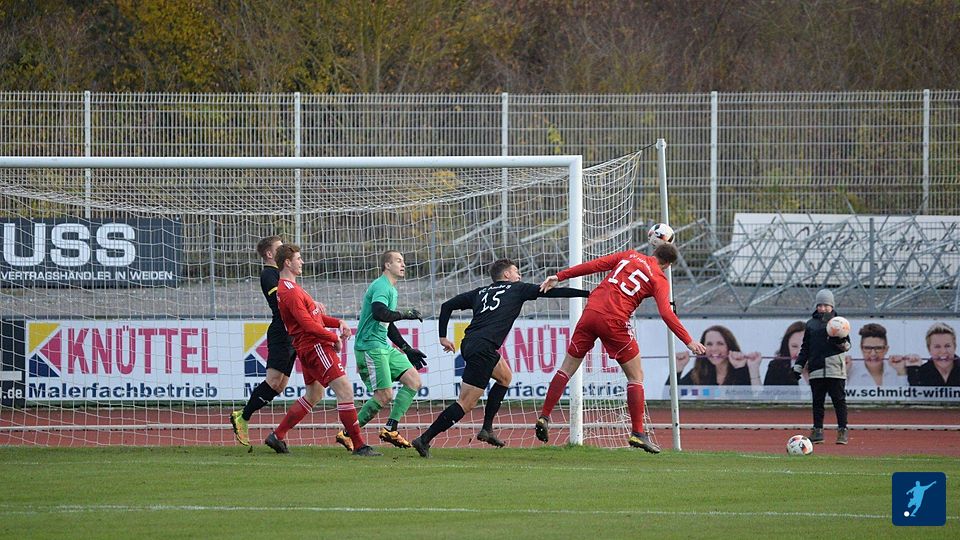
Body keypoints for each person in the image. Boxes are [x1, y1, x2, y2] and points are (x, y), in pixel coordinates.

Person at [533, 243, 706, 453]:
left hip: (591, 312)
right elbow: (666, 313)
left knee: (566, 368)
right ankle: (638, 433)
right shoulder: (660, 279)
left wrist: (559, 276)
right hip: (615, 321)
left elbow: (595, 265)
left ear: (654, 252)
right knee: (636, 376)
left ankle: (544, 416)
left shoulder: (630, 255)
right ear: (668, 265)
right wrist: (688, 341)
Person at [411, 259, 590, 458]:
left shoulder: (480, 292)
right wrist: (587, 293)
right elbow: (552, 292)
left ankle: (487, 429)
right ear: (506, 275)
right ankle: (424, 439)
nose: (519, 275)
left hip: (471, 343)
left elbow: (447, 306)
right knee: (466, 403)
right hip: (483, 348)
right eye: (516, 271)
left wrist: (443, 337)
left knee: (505, 377)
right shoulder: (518, 289)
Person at [265, 244, 379, 456]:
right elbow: (308, 324)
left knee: (314, 394)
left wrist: (337, 322)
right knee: (345, 390)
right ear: (288, 263)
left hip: (308, 346)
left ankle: (277, 435)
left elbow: (314, 317)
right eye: (298, 258)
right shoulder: (289, 291)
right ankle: (359, 445)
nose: (302, 262)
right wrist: (333, 337)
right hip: (315, 346)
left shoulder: (291, 288)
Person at [230, 235, 323, 447]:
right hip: (281, 332)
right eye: (280, 248)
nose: (285, 250)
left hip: (292, 335)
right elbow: (283, 301)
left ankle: (245, 415)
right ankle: (242, 416)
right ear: (270, 254)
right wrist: (308, 305)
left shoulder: (283, 275)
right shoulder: (269, 274)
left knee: (279, 385)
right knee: (273, 381)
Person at [336, 250, 426, 451]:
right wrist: (406, 314)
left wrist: (406, 349)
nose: (403, 264)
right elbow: (379, 313)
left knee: (414, 381)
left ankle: (390, 429)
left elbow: (387, 323)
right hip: (370, 346)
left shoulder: (391, 289)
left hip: (383, 346)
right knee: (384, 395)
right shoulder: (381, 286)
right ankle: (347, 434)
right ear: (387, 265)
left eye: (403, 261)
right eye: (398, 261)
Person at [792, 289, 851, 445]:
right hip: (816, 369)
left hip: (835, 369)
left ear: (832, 306)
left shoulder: (839, 323)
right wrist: (798, 366)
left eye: (826, 305)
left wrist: (840, 341)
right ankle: (817, 431)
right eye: (820, 305)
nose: (822, 308)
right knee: (817, 402)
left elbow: (847, 346)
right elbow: (806, 347)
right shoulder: (811, 324)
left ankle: (842, 431)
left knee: (839, 400)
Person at [672, 325, 762, 386]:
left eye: (720, 343)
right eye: (709, 344)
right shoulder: (699, 372)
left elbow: (759, 399)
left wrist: (741, 368)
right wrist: (677, 370)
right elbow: (669, 397)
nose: (714, 349)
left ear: (729, 346)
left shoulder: (742, 369)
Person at [763, 321, 806, 386]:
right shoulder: (776, 367)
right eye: (794, 346)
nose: (799, 353)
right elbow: (767, 392)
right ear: (787, 346)